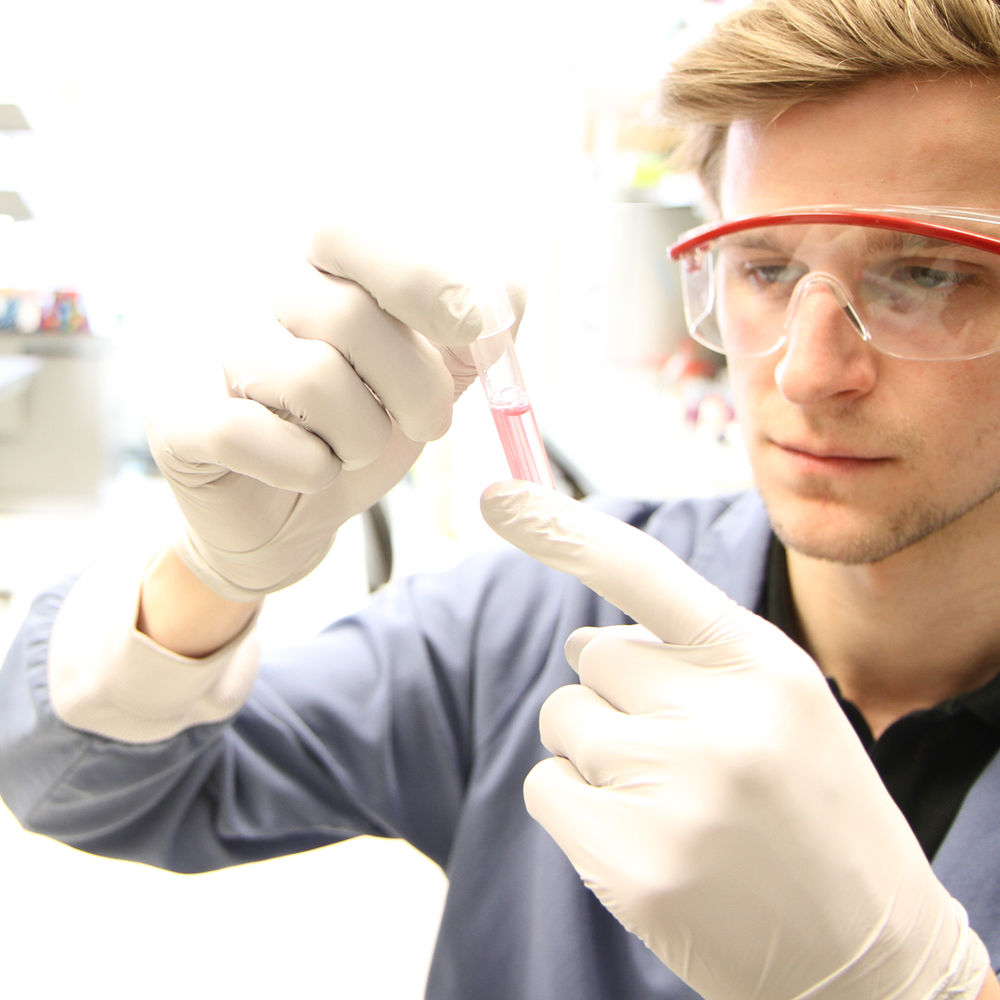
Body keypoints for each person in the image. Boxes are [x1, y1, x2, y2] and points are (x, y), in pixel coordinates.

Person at [2, 0, 1000, 996]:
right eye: (765, 267)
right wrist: (207, 576)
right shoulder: (543, 624)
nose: (804, 373)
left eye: (927, 272)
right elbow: (89, 786)